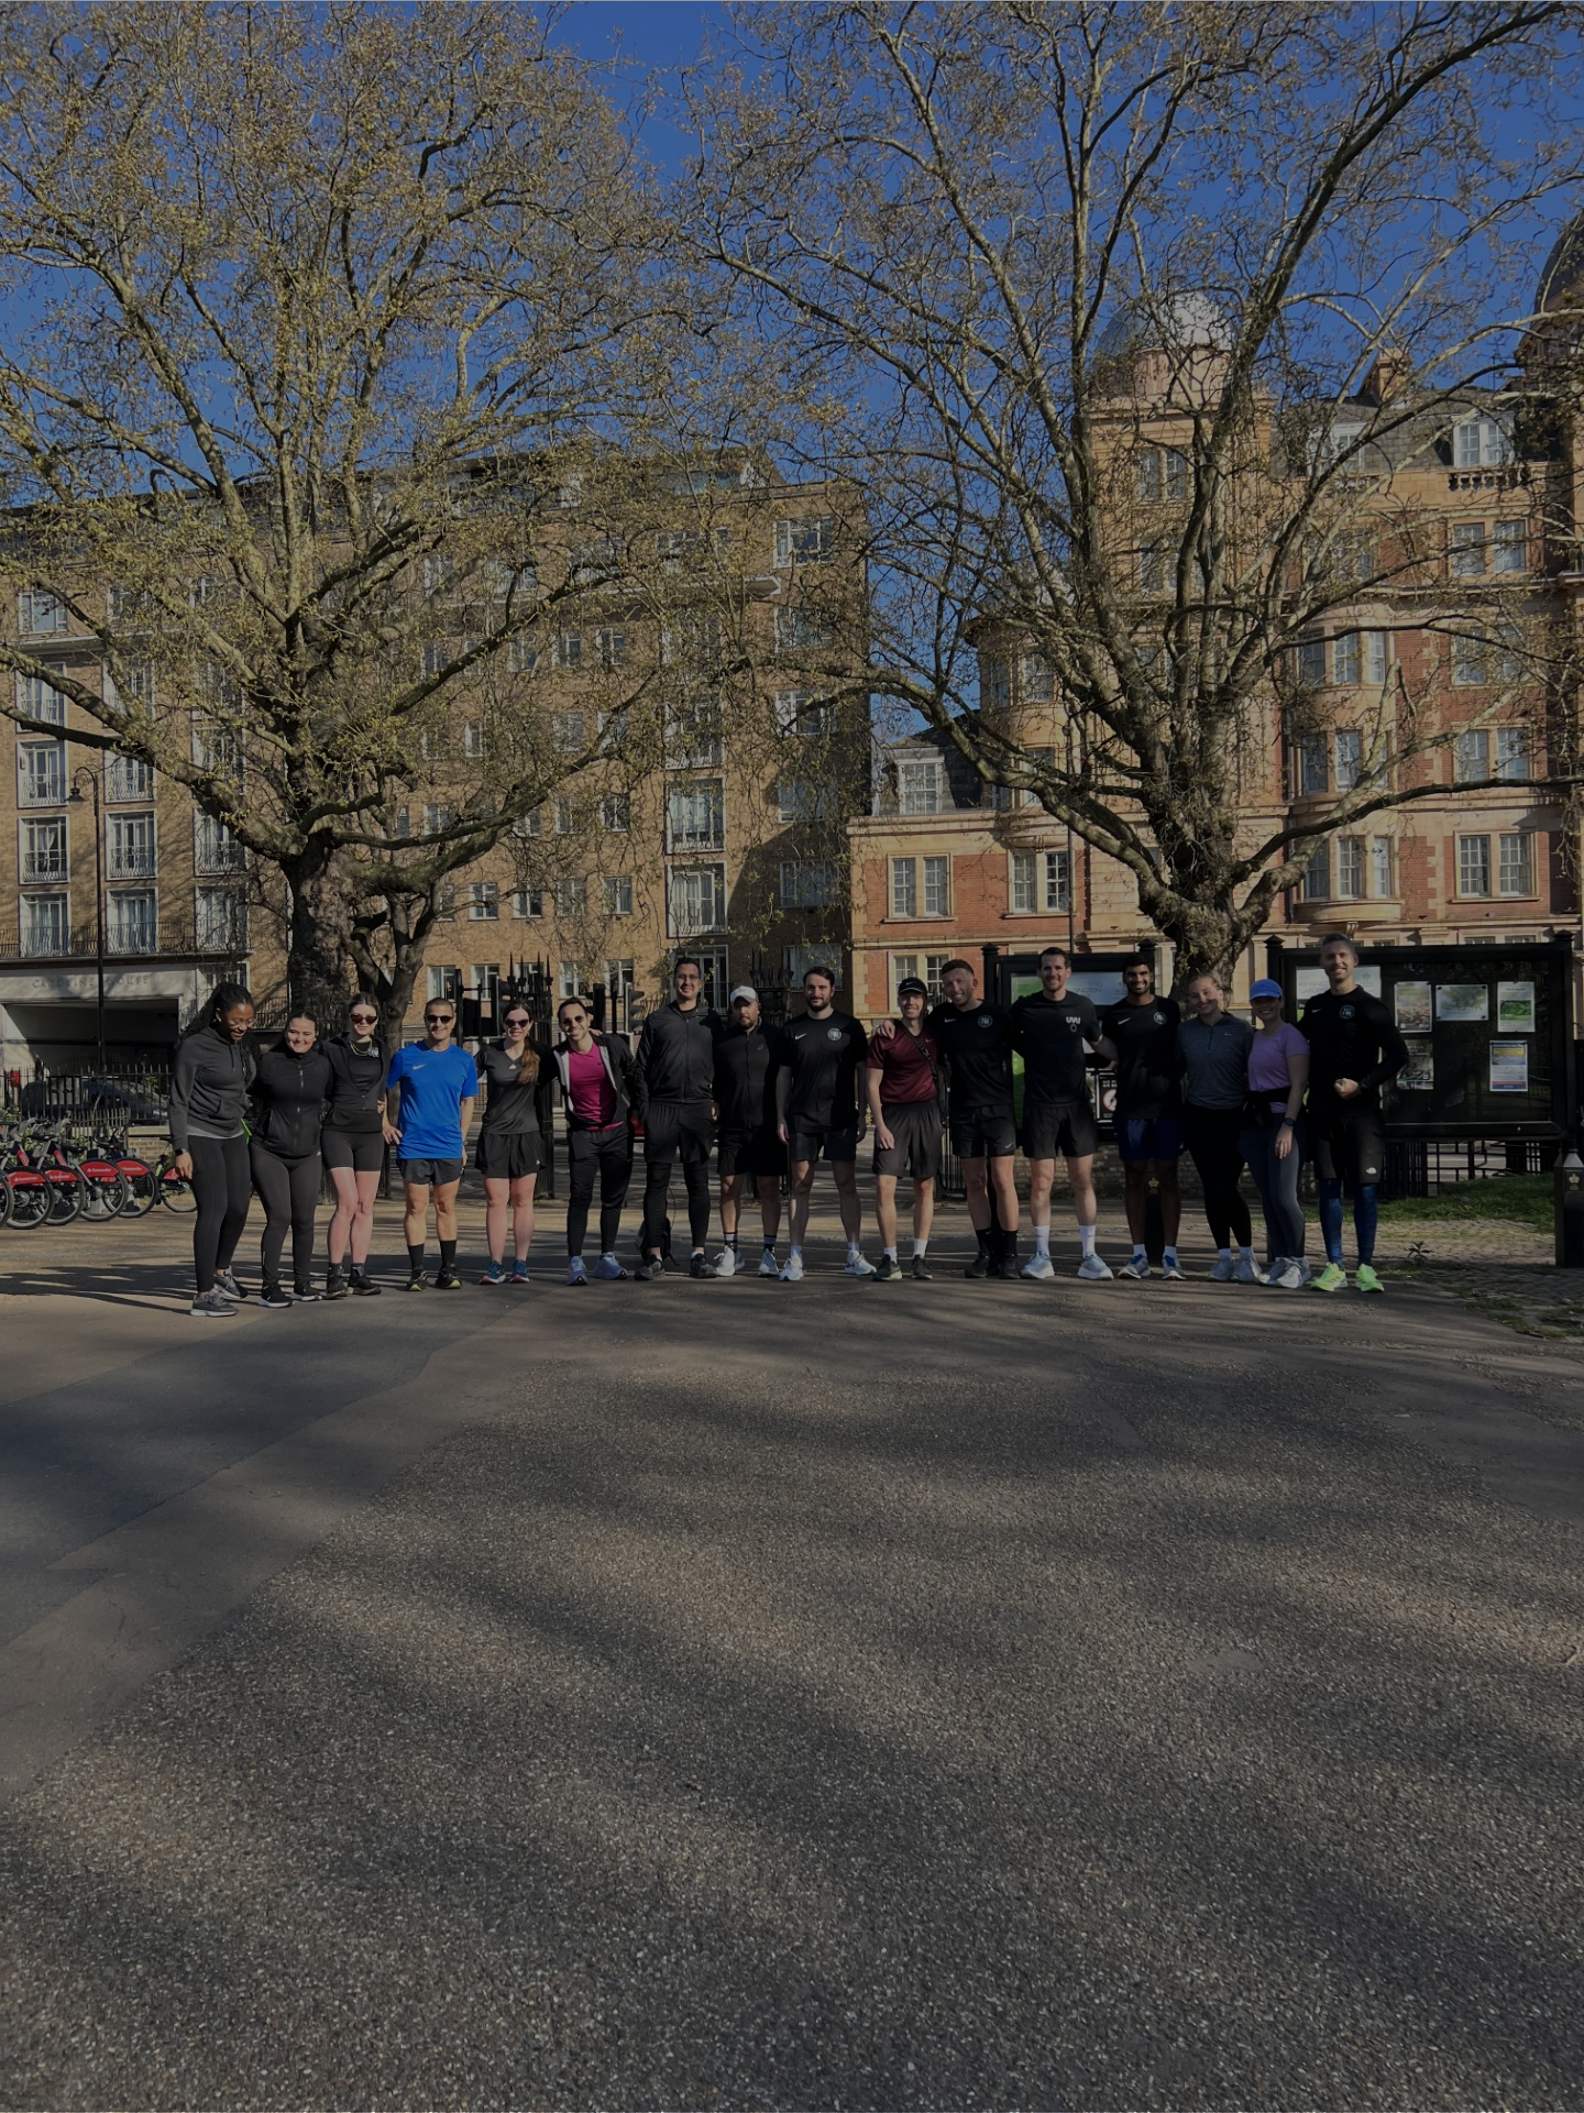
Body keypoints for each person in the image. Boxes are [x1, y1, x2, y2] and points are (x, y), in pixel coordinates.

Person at [880, 960, 1019, 1277]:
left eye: (960, 981)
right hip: (963, 1109)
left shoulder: (997, 1016)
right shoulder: (941, 1018)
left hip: (998, 1108)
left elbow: (1029, 1049)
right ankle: (985, 1252)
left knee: (1001, 1180)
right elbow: (912, 1028)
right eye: (947, 984)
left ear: (974, 983)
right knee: (975, 1182)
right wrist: (886, 1021)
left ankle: (1009, 1255)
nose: (954, 988)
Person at [1300, 934, 1409, 1293]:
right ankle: (1334, 1266)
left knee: (1364, 1190)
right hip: (1323, 1113)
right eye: (1329, 957)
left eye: (1342, 955)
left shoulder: (1371, 1007)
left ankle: (1366, 1267)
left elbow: (1398, 1056)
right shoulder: (1314, 1008)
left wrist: (1361, 1085)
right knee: (1329, 1189)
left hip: (1362, 1114)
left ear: (1355, 960)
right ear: (1322, 964)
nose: (1336, 962)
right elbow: (1292, 1049)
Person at [1010, 945, 1116, 1281]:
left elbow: (1101, 1044)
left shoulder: (1082, 1007)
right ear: (1038, 973)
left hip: (1076, 1107)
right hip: (1040, 1107)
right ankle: (1042, 1256)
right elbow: (1004, 1037)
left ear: (1067, 971)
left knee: (1082, 1180)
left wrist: (1137, 1057)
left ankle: (1090, 1256)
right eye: (1046, 968)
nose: (1052, 973)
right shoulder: (1024, 1008)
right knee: (1041, 1183)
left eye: (1058, 968)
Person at [775, 964, 874, 1280]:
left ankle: (854, 1253)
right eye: (810, 987)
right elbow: (783, 1076)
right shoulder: (792, 1029)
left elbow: (863, 1072)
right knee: (800, 1186)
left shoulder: (850, 1027)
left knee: (846, 1184)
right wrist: (780, 1116)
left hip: (840, 1117)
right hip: (802, 1118)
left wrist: (862, 1114)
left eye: (821, 988)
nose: (815, 993)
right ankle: (795, 1257)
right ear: (803, 990)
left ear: (832, 990)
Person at [170, 981, 257, 1318]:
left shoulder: (240, 1046)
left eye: (248, 1021)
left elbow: (242, 1084)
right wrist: (181, 1148)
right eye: (237, 1021)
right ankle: (204, 1294)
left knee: (238, 1206)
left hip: (232, 1132)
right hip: (199, 1132)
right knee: (215, 1207)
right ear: (219, 1015)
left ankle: (221, 1274)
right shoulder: (195, 1047)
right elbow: (178, 1099)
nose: (243, 1027)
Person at [632, 956, 719, 1281]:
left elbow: (722, 1066)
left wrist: (717, 1102)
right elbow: (639, 1069)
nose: (687, 982)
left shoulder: (711, 1020)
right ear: (674, 980)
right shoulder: (657, 1020)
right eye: (682, 977)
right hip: (663, 1109)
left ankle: (698, 1253)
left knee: (698, 1184)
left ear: (700, 982)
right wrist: (646, 1111)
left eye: (693, 977)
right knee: (656, 1185)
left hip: (697, 1109)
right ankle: (654, 1254)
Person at [384, 994, 479, 1291]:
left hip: (448, 1146)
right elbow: (380, 1091)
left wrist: (461, 1140)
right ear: (425, 1020)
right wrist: (384, 1124)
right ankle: (417, 1271)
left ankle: (448, 1270)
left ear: (452, 1022)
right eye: (432, 1018)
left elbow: (468, 1101)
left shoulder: (464, 1060)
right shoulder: (405, 1057)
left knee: (446, 1205)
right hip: (413, 1145)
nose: (437, 1023)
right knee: (416, 1206)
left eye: (444, 1019)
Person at [1101, 956, 1185, 1282]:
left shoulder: (1170, 1010)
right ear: (1124, 978)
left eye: (1143, 973)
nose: (1138, 978)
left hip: (1167, 1108)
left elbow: (1182, 1052)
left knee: (1168, 1177)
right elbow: (1107, 1052)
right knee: (1134, 1177)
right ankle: (1138, 1255)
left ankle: (1171, 1257)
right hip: (1130, 1108)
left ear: (1151, 976)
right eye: (1132, 974)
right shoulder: (1115, 1014)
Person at [549, 994, 637, 1283]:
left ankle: (606, 1258)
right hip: (583, 1135)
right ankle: (575, 1260)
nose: (573, 1024)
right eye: (566, 1021)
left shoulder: (611, 1046)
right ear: (561, 1026)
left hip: (617, 1132)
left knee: (613, 1199)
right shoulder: (558, 1056)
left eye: (578, 1018)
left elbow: (635, 1075)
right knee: (580, 1197)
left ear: (588, 1020)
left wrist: (641, 1112)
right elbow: (531, 1072)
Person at [1179, 970, 1259, 1282]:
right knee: (1210, 1188)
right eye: (1196, 996)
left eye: (1207, 993)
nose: (1203, 1000)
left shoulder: (1241, 1031)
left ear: (1220, 993)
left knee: (1226, 1184)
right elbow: (1173, 1070)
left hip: (1232, 1117)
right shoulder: (1184, 1033)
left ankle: (1248, 1257)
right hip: (1198, 1117)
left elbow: (1256, 1073)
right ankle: (1223, 1257)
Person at [248, 1012, 332, 1308]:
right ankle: (269, 1288)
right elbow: (244, 1091)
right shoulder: (268, 1063)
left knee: (305, 1219)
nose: (300, 1039)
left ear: (315, 1035)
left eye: (306, 1034)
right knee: (280, 1216)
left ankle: (302, 1283)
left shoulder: (322, 1066)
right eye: (294, 1033)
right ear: (286, 1033)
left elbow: (337, 1095)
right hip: (269, 1150)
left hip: (307, 1153)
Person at [864, 974, 943, 1280]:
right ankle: (889, 1258)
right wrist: (879, 1124)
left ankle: (920, 1256)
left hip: (926, 1113)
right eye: (905, 996)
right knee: (885, 1186)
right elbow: (872, 1084)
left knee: (924, 1185)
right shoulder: (885, 1035)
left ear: (924, 1002)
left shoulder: (936, 1032)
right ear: (898, 1000)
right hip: (893, 1114)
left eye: (917, 997)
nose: (911, 1002)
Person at [710, 985, 785, 1277]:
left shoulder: (775, 1037)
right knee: (729, 1187)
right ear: (732, 1009)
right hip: (732, 1125)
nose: (744, 1011)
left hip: (768, 1125)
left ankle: (769, 1252)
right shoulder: (721, 1041)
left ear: (758, 1008)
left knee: (769, 1189)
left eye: (748, 1005)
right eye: (738, 1006)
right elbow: (711, 1077)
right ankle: (732, 1250)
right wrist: (711, 1100)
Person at [475, 1000, 551, 1284]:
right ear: (503, 1024)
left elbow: (571, 1058)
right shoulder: (489, 1053)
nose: (516, 1027)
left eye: (522, 1022)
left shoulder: (540, 1053)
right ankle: (495, 1264)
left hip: (527, 1135)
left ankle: (521, 1263)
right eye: (510, 1023)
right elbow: (461, 1081)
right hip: (494, 1134)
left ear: (530, 1024)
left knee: (523, 1200)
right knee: (496, 1201)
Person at [1242, 979, 1311, 1290]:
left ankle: (1300, 1261)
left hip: (1284, 1121)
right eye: (1258, 1001)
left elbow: (1299, 1085)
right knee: (1269, 1196)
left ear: (1281, 1001)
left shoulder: (1291, 1036)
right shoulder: (1254, 1038)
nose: (1264, 1006)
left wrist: (1289, 1125)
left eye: (1270, 1000)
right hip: (1257, 1120)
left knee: (1285, 1196)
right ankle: (1281, 1258)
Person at [321, 994, 387, 1299]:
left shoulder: (382, 1049)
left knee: (365, 1205)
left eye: (369, 1018)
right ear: (349, 1018)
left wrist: (385, 1119)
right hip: (338, 1130)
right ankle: (334, 1273)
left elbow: (383, 1088)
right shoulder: (331, 1047)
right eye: (358, 1017)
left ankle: (358, 1271)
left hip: (370, 1132)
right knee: (346, 1202)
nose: (363, 1023)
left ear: (376, 1020)